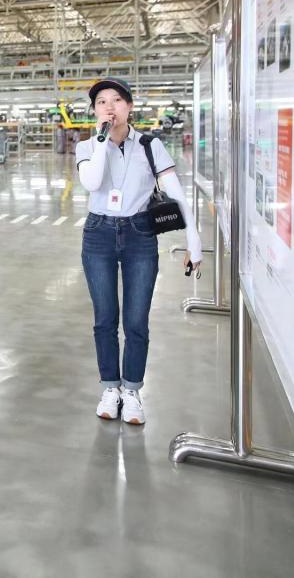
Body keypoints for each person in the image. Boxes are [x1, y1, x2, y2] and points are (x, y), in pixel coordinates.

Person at [75, 77, 202, 425]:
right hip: (98, 235)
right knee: (104, 318)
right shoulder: (87, 147)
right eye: (101, 102)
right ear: (94, 110)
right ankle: (110, 388)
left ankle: (131, 390)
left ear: (129, 107)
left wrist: (193, 240)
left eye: (117, 100)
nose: (109, 107)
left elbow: (176, 195)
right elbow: (92, 182)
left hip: (139, 234)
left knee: (135, 320)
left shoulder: (150, 145)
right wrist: (102, 139)